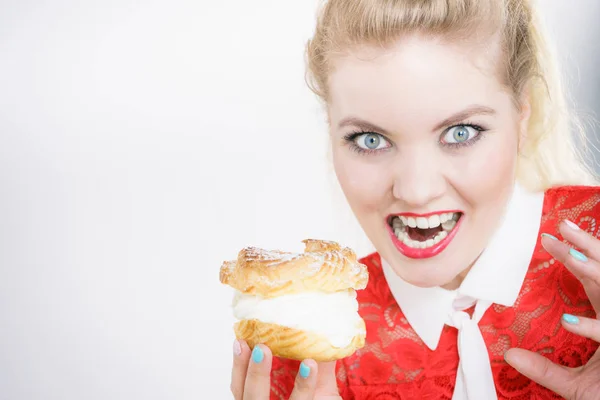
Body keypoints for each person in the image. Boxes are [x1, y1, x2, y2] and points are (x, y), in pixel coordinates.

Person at [230, 0, 600, 399]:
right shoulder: (307, 351)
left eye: (461, 133)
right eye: (370, 140)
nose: (416, 191)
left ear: (522, 114)